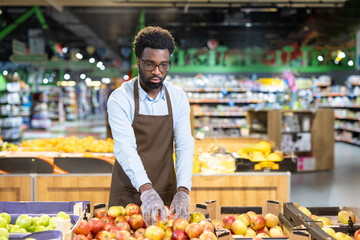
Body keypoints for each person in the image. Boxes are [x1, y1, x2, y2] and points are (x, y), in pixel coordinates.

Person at [107, 26, 195, 227]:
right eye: (150, 65)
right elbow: (125, 147)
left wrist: (183, 190)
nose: (157, 72)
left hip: (165, 190)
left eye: (164, 65)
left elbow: (184, 146)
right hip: (128, 191)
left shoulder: (178, 97)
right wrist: (146, 190)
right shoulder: (120, 98)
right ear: (138, 61)